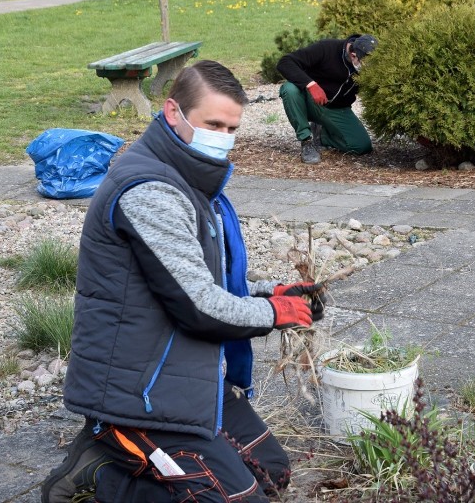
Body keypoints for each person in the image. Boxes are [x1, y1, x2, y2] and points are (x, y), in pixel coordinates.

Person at [41, 60, 323, 502]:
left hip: (184, 374)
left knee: (271, 473)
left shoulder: (189, 179)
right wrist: (273, 313)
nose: (223, 138)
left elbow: (199, 282)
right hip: (138, 394)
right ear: (173, 112)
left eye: (231, 128)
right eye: (213, 123)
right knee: (234, 499)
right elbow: (198, 305)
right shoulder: (149, 190)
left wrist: (271, 293)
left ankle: (113, 462)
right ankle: (101, 475)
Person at [276, 33, 378, 165]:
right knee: (289, 89)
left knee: (361, 146)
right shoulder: (327, 48)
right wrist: (311, 85)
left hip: (336, 108)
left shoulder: (367, 62)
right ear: (353, 55)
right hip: (310, 101)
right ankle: (306, 141)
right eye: (365, 64)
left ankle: (322, 134)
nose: (368, 69)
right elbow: (285, 62)